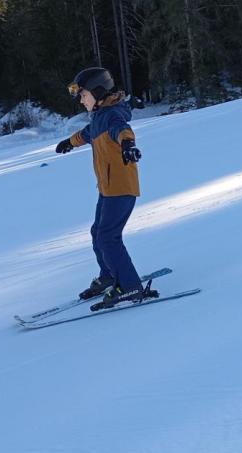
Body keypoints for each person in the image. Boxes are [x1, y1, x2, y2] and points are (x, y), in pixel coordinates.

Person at [55, 67, 154, 308]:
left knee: (108, 237)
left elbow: (123, 130)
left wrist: (128, 145)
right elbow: (87, 134)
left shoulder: (112, 116)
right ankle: (109, 275)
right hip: (108, 189)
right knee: (97, 232)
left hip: (120, 188)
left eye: (83, 95)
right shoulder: (99, 118)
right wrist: (70, 142)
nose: (81, 100)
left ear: (98, 92)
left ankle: (129, 286)